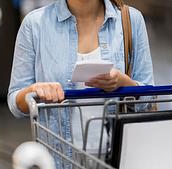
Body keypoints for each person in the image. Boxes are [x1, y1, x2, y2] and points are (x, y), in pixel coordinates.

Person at [8, 0, 154, 167]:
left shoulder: (131, 20)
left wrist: (123, 83)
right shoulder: (35, 24)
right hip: (56, 157)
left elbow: (149, 99)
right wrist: (34, 91)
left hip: (118, 157)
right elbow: (15, 102)